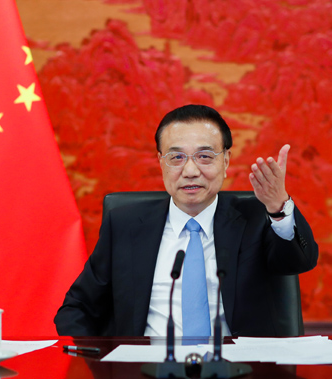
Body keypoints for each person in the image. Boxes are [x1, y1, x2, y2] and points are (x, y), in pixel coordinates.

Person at [54, 104, 318, 337]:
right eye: (176, 157)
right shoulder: (125, 225)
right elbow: (77, 308)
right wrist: (102, 363)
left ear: (226, 161)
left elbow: (300, 261)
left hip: (238, 371)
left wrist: (278, 207)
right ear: (161, 162)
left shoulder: (257, 217)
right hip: (146, 369)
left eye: (205, 156)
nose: (190, 171)